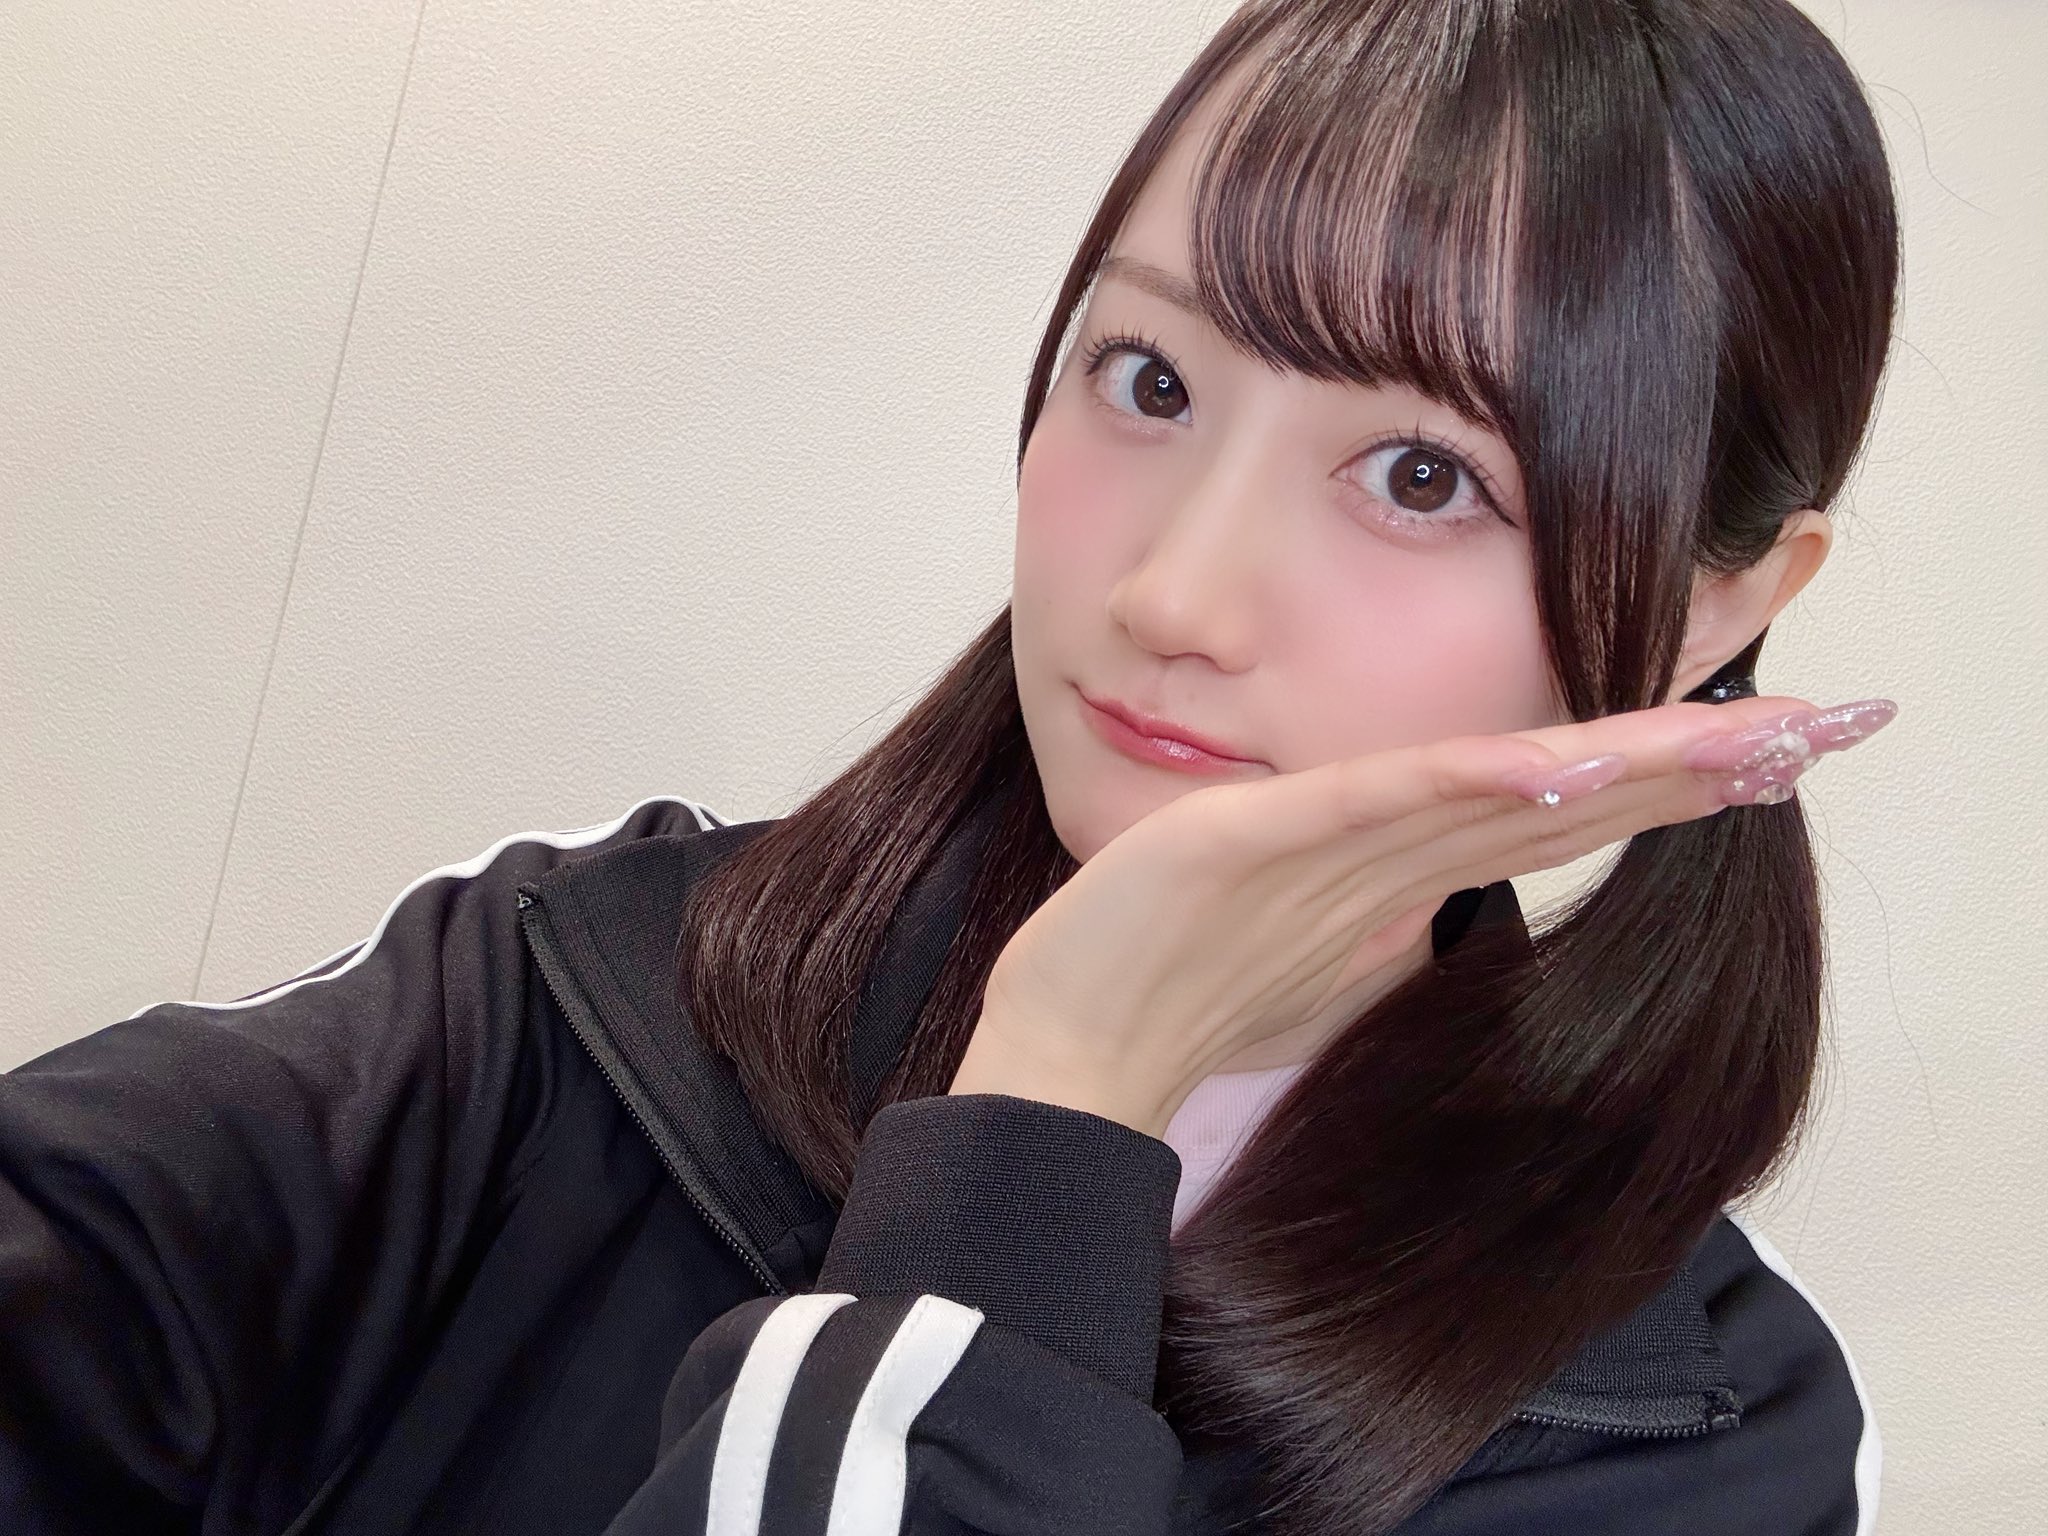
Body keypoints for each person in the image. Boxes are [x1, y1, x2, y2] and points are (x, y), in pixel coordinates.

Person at [0, 0, 1905, 1531]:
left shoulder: (1701, 1429)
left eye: (1423, 476)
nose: (1172, 592)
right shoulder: (584, 990)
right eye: (1152, 381)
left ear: (1716, 605)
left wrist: (1060, 1108)